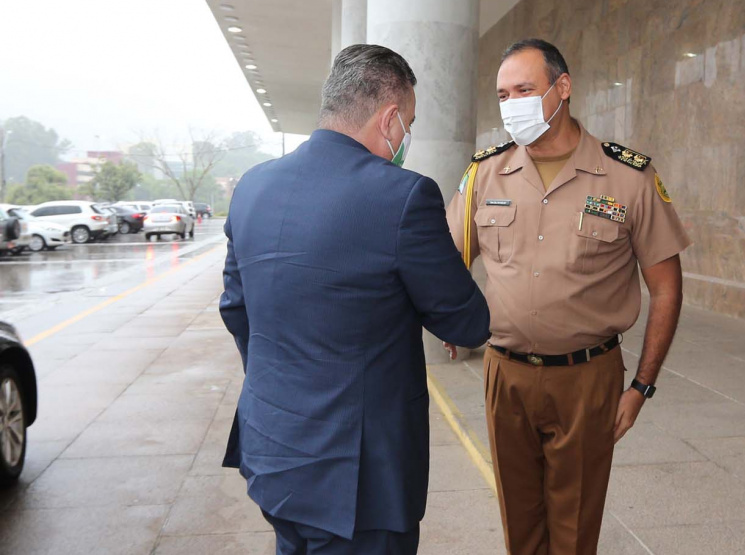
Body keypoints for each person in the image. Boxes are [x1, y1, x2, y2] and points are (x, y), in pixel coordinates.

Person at [220, 44, 491, 555]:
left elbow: (236, 309)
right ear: (390, 120)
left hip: (272, 449)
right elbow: (468, 323)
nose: (406, 137)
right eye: (407, 123)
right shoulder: (404, 196)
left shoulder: (252, 187)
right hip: (358, 482)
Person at [445, 38, 691, 555]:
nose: (512, 105)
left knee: (574, 528)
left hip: (587, 379)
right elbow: (446, 259)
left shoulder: (628, 176)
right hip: (505, 375)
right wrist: (450, 318)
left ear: (562, 88)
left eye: (524, 90)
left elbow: (666, 286)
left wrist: (642, 386)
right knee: (520, 522)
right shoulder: (483, 172)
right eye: (503, 94)